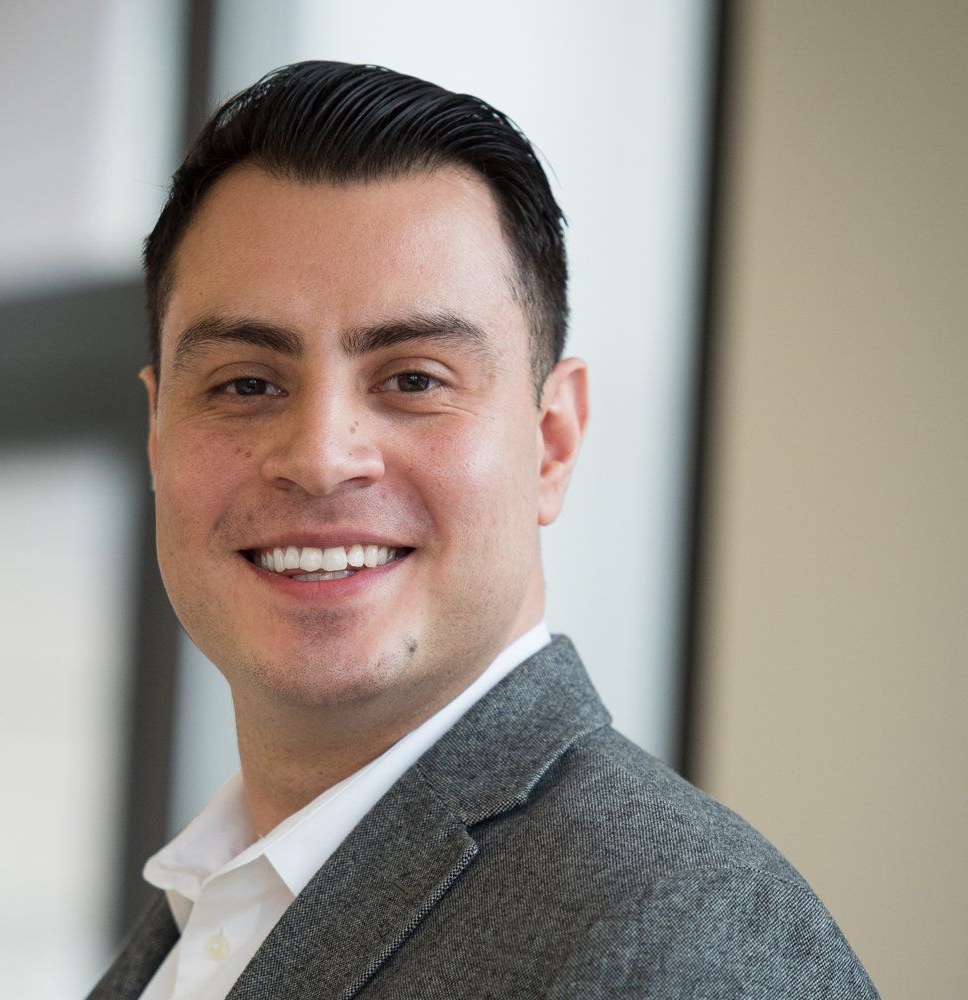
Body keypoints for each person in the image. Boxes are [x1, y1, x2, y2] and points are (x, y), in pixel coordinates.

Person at [88, 61, 877, 999]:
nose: (321, 456)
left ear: (551, 442)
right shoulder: (209, 917)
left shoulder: (687, 943)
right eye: (246, 384)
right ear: (157, 433)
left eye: (413, 379)